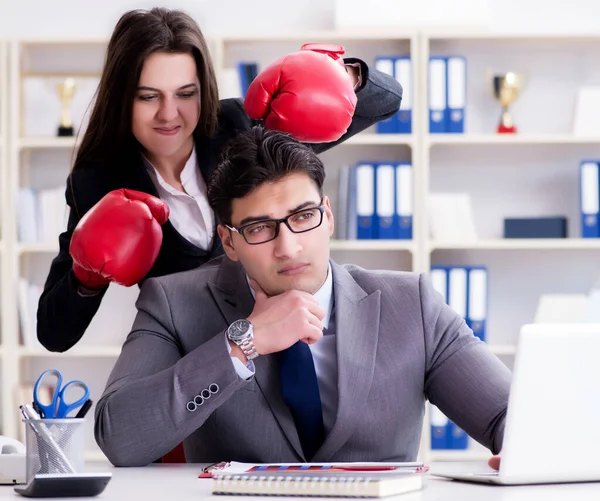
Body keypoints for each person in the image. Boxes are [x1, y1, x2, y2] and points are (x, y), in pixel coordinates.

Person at [94, 126, 511, 467]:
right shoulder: (173, 303)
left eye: (303, 217)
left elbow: (509, 417)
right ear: (229, 241)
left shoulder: (411, 305)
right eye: (259, 228)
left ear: (328, 216)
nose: (288, 247)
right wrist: (242, 343)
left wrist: (524, 451)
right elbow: (120, 438)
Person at [37, 7, 403, 353]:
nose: (169, 114)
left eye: (186, 94)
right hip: (202, 368)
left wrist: (337, 75)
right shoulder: (98, 181)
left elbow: (388, 99)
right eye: (148, 97)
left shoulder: (240, 126)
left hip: (295, 344)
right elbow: (53, 334)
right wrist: (87, 278)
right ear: (122, 99)